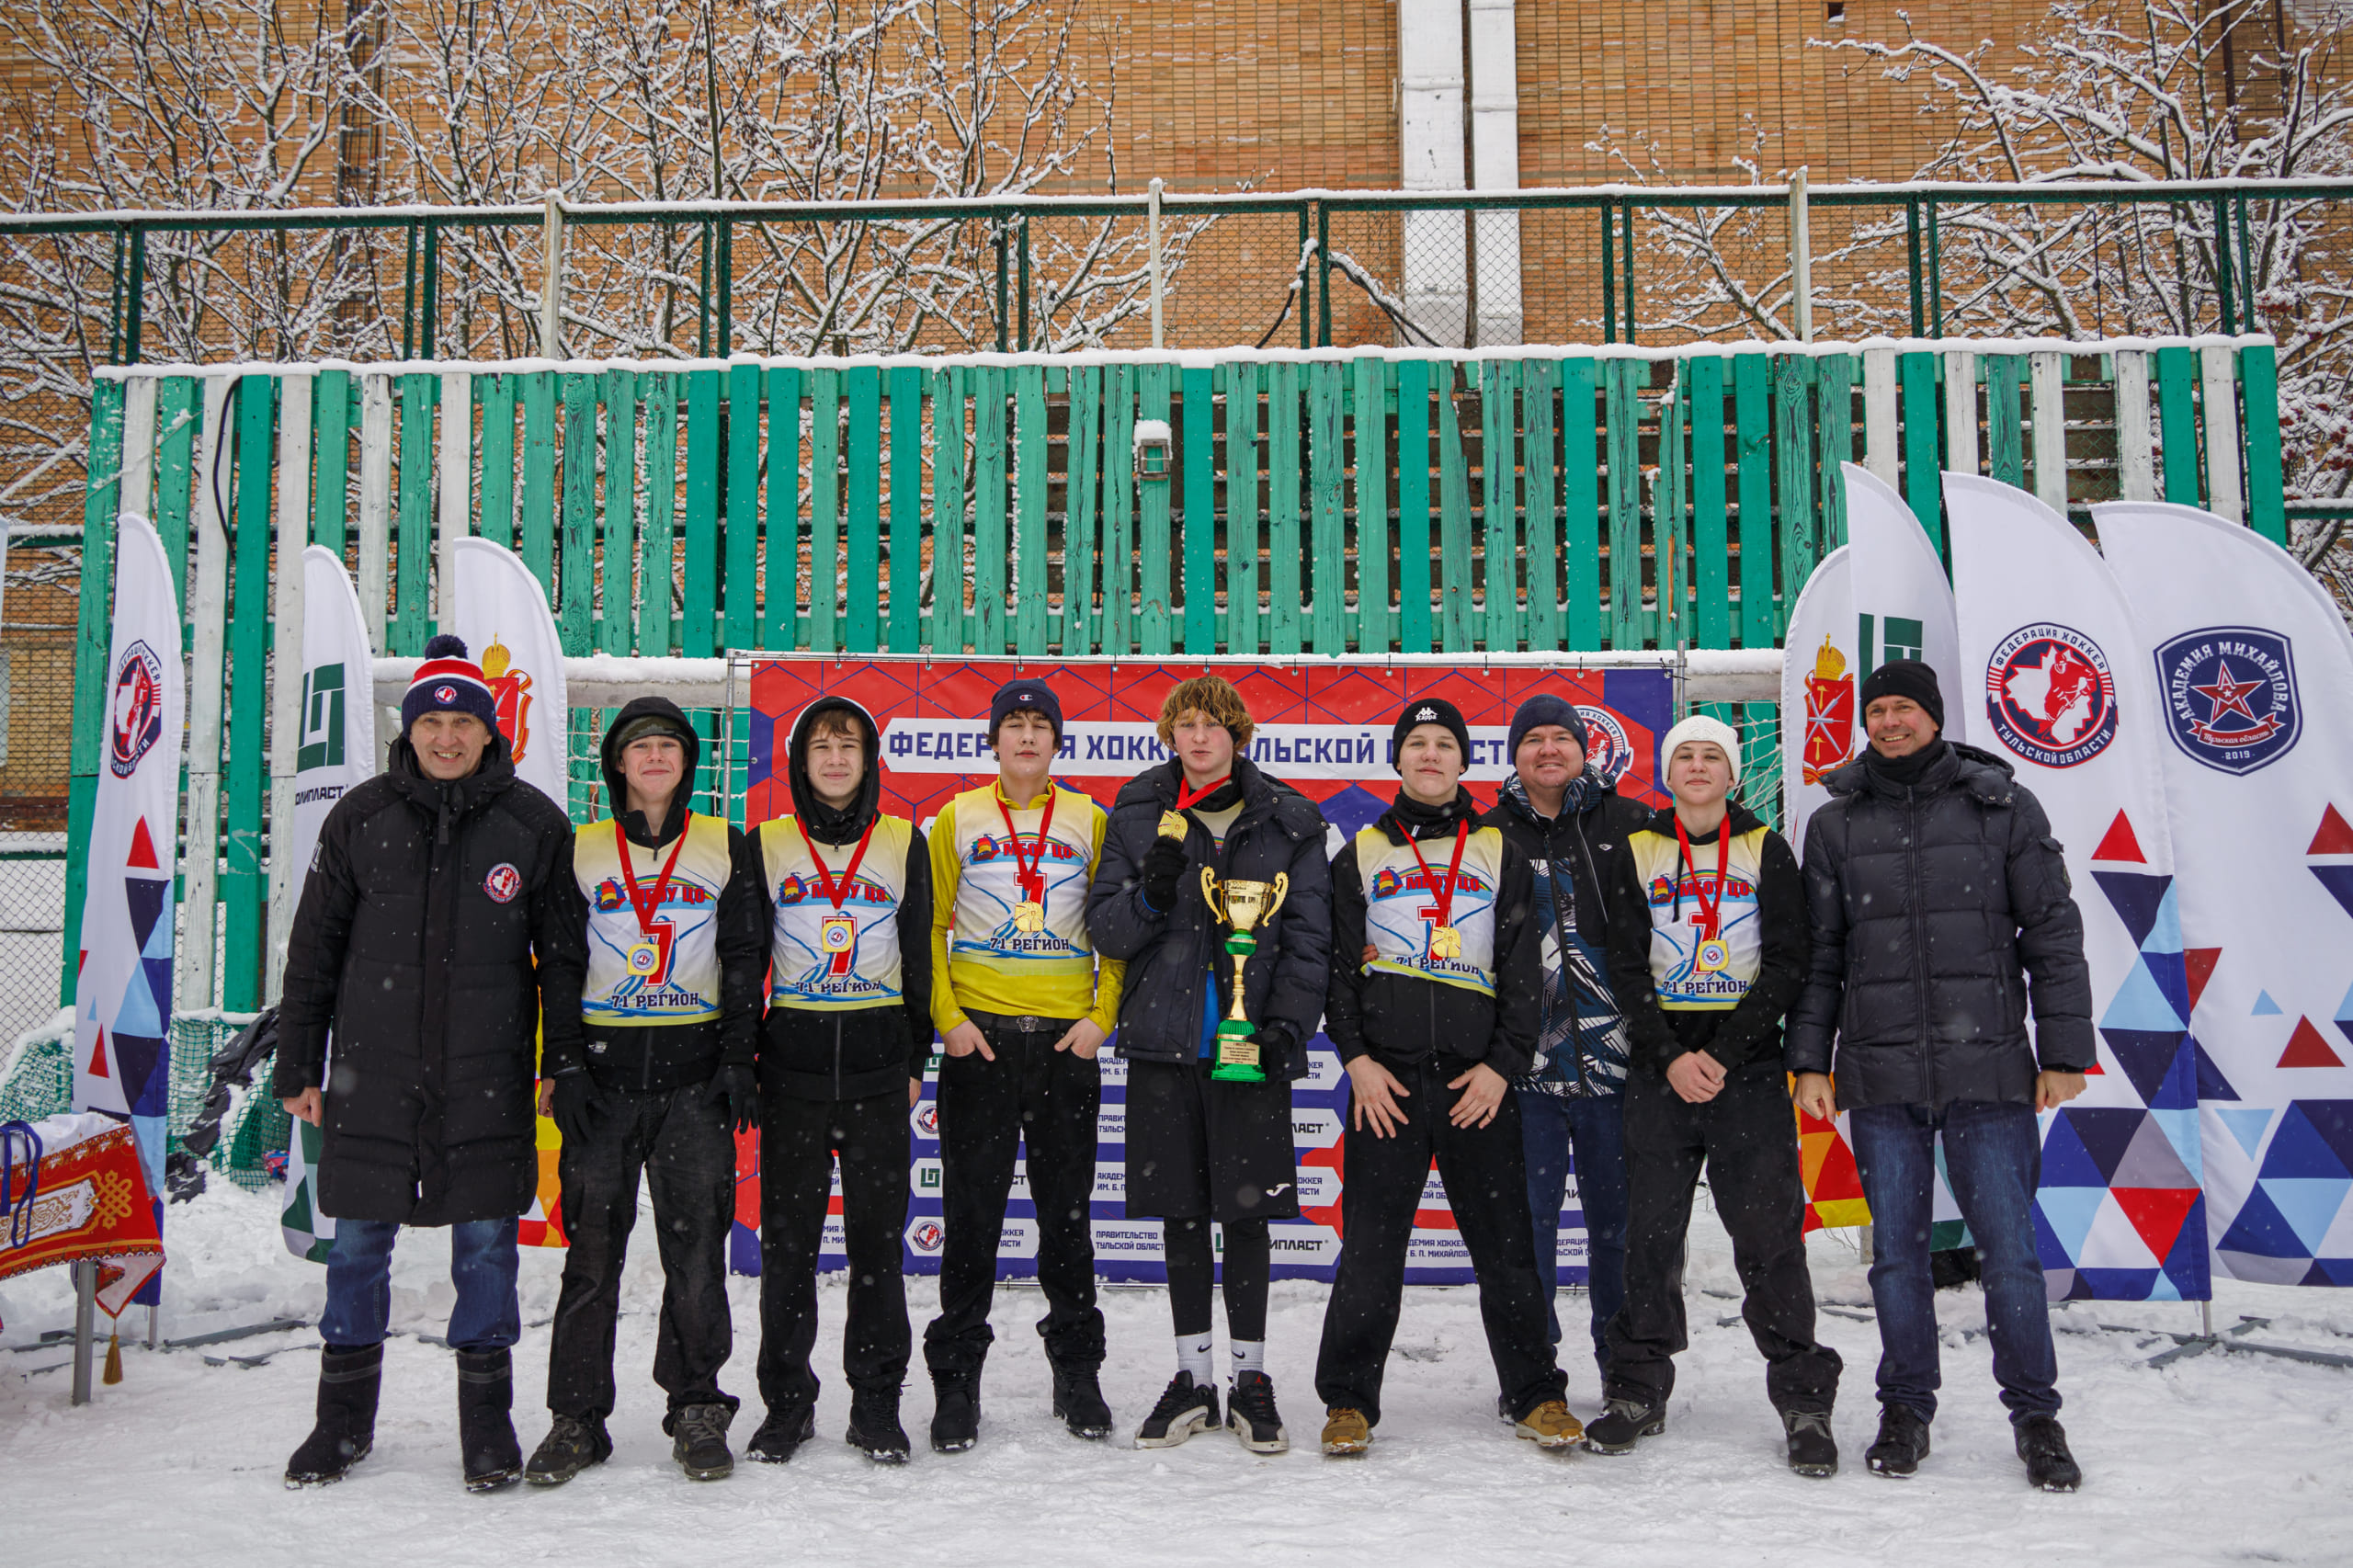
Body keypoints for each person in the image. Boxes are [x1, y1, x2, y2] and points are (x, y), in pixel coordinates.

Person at [275, 635, 580, 1492]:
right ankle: (341, 1423)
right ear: (408, 732)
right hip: (372, 1072)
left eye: (463, 723)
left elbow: (562, 960)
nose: (448, 738)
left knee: (485, 1247)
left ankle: (487, 1424)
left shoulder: (533, 824)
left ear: (489, 732)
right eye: (432, 723)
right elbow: (314, 951)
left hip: (487, 1075)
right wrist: (299, 1064)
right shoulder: (360, 818)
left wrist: (561, 1062)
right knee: (356, 1246)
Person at [1789, 660, 2091, 1493]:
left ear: (1933, 716)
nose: (1889, 723)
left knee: (2011, 1255)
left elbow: (2052, 932)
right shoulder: (1836, 823)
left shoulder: (2002, 806)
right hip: (1880, 1074)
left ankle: (2037, 1417)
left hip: (1988, 1070)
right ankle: (1905, 1409)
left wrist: (2064, 1052)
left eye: (1904, 709)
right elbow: (1821, 956)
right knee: (1896, 1258)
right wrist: (1809, 1059)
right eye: (1877, 710)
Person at [1313, 696, 1580, 1457]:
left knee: (1507, 1251)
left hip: (1477, 1088)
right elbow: (1336, 972)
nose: (1429, 755)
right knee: (1371, 1252)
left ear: (1465, 761)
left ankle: (1536, 1394)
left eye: (1444, 744)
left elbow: (1526, 974)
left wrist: (1501, 1068)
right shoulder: (1361, 852)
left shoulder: (1499, 849)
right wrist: (1357, 1061)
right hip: (1387, 1088)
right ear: (1397, 759)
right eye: (1416, 743)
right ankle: (1348, 1402)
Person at [1588, 713, 1842, 1477]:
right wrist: (1670, 1056)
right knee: (1649, 1238)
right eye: (1684, 757)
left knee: (1769, 1240)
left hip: (1747, 1073)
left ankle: (1803, 1398)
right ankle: (1637, 1390)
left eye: (1712, 757)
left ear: (1733, 774)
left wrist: (1724, 1055)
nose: (1697, 767)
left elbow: (1790, 961)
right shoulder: (1636, 848)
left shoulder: (1766, 848)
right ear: (1667, 774)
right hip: (1659, 1074)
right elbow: (1623, 965)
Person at [1086, 676, 1333, 1454]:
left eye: (1214, 724)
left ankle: (1250, 1380)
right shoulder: (1137, 812)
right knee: (1182, 1214)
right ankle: (1193, 1377)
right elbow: (1106, 931)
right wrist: (1151, 896)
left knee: (1248, 1214)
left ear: (1237, 735)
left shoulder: (1289, 818)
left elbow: (1310, 938)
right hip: (1163, 1046)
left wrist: (1286, 1026)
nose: (1199, 737)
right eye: (1186, 724)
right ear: (1170, 735)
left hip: (1248, 1048)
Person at [526, 697, 766, 1485]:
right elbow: (559, 961)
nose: (655, 757)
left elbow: (743, 956)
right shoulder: (581, 848)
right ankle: (576, 1417)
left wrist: (738, 1058)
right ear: (617, 765)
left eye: (669, 745)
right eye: (640, 747)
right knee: (591, 1259)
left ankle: (697, 1404)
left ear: (687, 762)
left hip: (694, 1082)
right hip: (604, 1081)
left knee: (695, 1257)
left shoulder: (723, 844)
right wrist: (564, 1063)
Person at [923, 679, 1125, 1452]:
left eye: (1042, 724)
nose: (1028, 736)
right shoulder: (957, 818)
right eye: (1014, 723)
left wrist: (1101, 1018)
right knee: (970, 1220)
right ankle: (956, 1381)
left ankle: (1077, 1372)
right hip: (982, 1043)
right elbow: (930, 924)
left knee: (1066, 1220)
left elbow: (1112, 928)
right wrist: (949, 1021)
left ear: (1057, 741)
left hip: (1064, 1047)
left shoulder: (1090, 820)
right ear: (994, 740)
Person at [745, 697, 933, 1466]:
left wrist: (914, 1060)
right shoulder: (767, 843)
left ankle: (876, 1403)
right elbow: (746, 961)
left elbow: (918, 957)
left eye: (848, 746)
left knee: (877, 1248)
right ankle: (787, 1405)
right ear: (800, 761)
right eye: (820, 746)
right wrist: (747, 1059)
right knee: (788, 1249)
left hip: (877, 1075)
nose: (834, 759)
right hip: (791, 1075)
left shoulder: (903, 841)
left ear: (868, 760)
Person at [1479, 692, 1646, 1393]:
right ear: (1514, 754)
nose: (1548, 749)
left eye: (1561, 737)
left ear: (1585, 749)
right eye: (1533, 739)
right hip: (1522, 1074)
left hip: (1619, 1072)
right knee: (1526, 1232)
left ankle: (1626, 1368)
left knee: (1620, 1230)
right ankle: (1533, 1373)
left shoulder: (1632, 824)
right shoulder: (1486, 834)